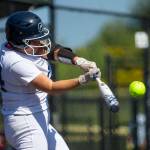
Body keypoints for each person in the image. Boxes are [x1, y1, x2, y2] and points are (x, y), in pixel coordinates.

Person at [0, 11, 100, 150]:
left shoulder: (20, 48)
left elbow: (53, 50)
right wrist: (83, 79)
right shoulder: (15, 62)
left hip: (38, 119)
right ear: (19, 42)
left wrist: (78, 60)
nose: (41, 44)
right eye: (34, 41)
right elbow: (50, 87)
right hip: (26, 123)